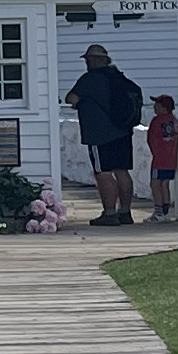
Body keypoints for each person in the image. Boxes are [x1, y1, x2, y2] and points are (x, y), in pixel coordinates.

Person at [65, 42, 145, 225]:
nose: (86, 63)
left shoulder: (89, 79)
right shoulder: (119, 78)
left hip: (99, 134)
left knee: (103, 172)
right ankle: (125, 212)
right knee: (122, 171)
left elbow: (71, 98)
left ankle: (109, 213)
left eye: (88, 59)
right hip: (123, 131)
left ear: (93, 60)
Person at [146, 94, 178, 223]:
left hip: (159, 158)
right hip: (171, 158)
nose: (155, 107)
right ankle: (165, 212)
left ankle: (159, 212)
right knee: (164, 183)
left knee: (155, 184)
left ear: (163, 107)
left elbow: (152, 139)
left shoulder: (157, 121)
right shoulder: (173, 121)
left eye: (158, 105)